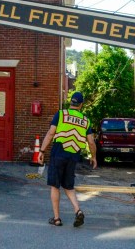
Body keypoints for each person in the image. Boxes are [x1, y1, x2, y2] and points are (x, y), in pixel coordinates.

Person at [38, 92, 97, 228]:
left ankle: (57, 218)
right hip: (73, 156)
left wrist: (42, 150)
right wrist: (93, 157)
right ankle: (78, 210)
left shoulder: (61, 114)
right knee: (68, 186)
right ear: (81, 105)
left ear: (71, 102)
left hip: (58, 153)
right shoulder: (85, 120)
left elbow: (51, 133)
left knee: (55, 185)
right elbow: (91, 142)